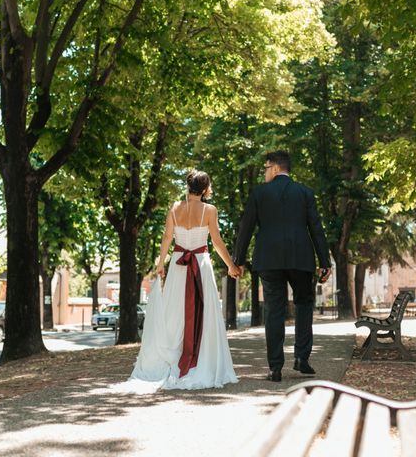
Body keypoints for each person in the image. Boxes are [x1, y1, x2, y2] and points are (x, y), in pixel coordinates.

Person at [113, 170, 239, 393]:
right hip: (200, 263)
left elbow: (167, 237)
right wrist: (230, 265)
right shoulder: (209, 210)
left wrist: (161, 263)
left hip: (178, 265)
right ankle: (202, 361)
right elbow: (217, 241)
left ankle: (174, 357)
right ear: (204, 189)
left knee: (175, 313)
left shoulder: (174, 208)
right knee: (205, 311)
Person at [234, 151, 331, 382]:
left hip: (269, 259)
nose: (264, 173)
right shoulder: (305, 193)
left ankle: (275, 367)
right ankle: (301, 358)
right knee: (304, 305)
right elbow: (316, 228)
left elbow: (245, 228)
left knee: (274, 311)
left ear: (276, 168)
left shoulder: (259, 193)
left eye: (265, 168)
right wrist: (324, 262)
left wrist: (237, 260)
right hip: (301, 257)